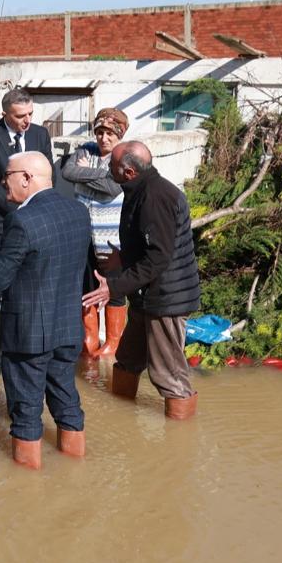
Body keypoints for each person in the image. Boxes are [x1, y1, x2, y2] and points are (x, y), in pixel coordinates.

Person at [0, 151, 91, 469]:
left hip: (28, 334)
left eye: (8, 175)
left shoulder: (21, 220)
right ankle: (75, 470)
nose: (4, 183)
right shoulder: (78, 211)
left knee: (26, 410)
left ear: (26, 178)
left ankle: (28, 489)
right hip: (68, 329)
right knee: (67, 400)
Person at [82, 141, 201, 420]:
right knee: (128, 359)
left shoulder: (156, 197)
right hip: (146, 295)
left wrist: (112, 286)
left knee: (168, 375)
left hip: (166, 299)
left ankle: (180, 443)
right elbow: (153, 248)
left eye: (112, 165)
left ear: (129, 172)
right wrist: (122, 259)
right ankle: (120, 420)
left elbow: (158, 259)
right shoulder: (141, 189)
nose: (107, 167)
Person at [0, 88, 53, 372]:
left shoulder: (40, 135)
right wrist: (19, 211)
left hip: (34, 221)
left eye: (30, 114)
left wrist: (35, 212)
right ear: (5, 113)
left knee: (27, 283)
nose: (26, 121)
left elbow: (46, 175)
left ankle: (22, 342)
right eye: (20, 116)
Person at [61, 107, 128, 359]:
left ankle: (113, 342)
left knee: (113, 289)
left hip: (111, 239)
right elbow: (67, 172)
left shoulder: (123, 155)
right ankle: (89, 338)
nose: (104, 138)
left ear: (120, 134)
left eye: (110, 133)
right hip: (82, 236)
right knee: (86, 286)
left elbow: (112, 187)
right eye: (100, 132)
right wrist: (101, 175)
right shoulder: (87, 150)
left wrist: (85, 175)